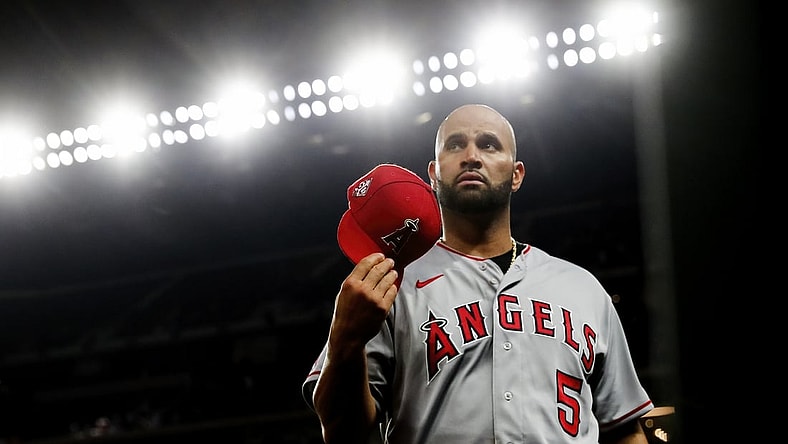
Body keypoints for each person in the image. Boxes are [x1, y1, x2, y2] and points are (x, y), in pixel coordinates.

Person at [302, 104, 654, 443]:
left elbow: (624, 428)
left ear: (516, 174)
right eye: (455, 145)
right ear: (434, 174)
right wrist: (344, 340)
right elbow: (341, 432)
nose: (471, 156)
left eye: (489, 144)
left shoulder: (583, 288)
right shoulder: (393, 285)